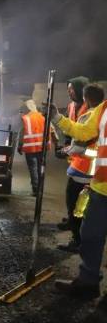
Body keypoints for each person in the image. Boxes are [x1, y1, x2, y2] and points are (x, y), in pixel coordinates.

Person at [49, 83, 107, 299]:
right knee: (90, 235)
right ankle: (88, 281)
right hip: (101, 187)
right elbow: (83, 132)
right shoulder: (103, 110)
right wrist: (57, 118)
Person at [56, 85, 104, 253]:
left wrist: (64, 151)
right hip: (96, 172)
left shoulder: (89, 117)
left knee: (76, 209)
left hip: (81, 171)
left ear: (86, 98)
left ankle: (77, 241)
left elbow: (78, 145)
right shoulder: (102, 116)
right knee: (87, 210)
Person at [17, 100, 47, 196]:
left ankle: (35, 190)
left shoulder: (26, 118)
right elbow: (52, 130)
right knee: (40, 168)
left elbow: (22, 132)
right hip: (42, 148)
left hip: (30, 148)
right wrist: (57, 144)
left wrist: (20, 146)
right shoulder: (43, 117)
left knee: (33, 169)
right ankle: (40, 189)